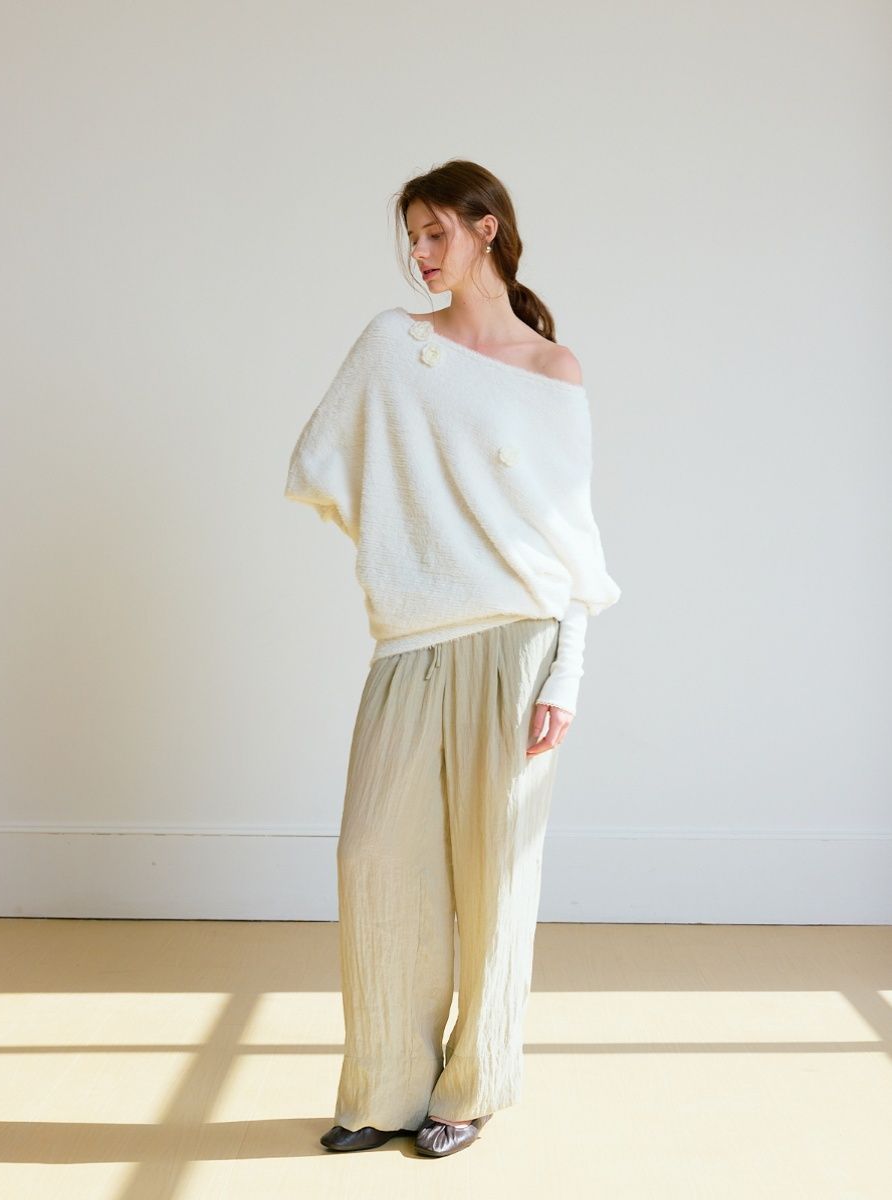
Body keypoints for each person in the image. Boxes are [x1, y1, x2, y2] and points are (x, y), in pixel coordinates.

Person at [283, 159, 621, 1159]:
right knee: (375, 858)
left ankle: (469, 1090)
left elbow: (573, 541)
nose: (421, 255)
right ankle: (385, 1086)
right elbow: (325, 461)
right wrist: (417, 538)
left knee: (496, 876)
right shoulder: (396, 344)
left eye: (436, 233)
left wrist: (568, 675)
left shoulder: (553, 371)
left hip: (520, 644)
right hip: (414, 640)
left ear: (486, 229)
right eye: (412, 238)